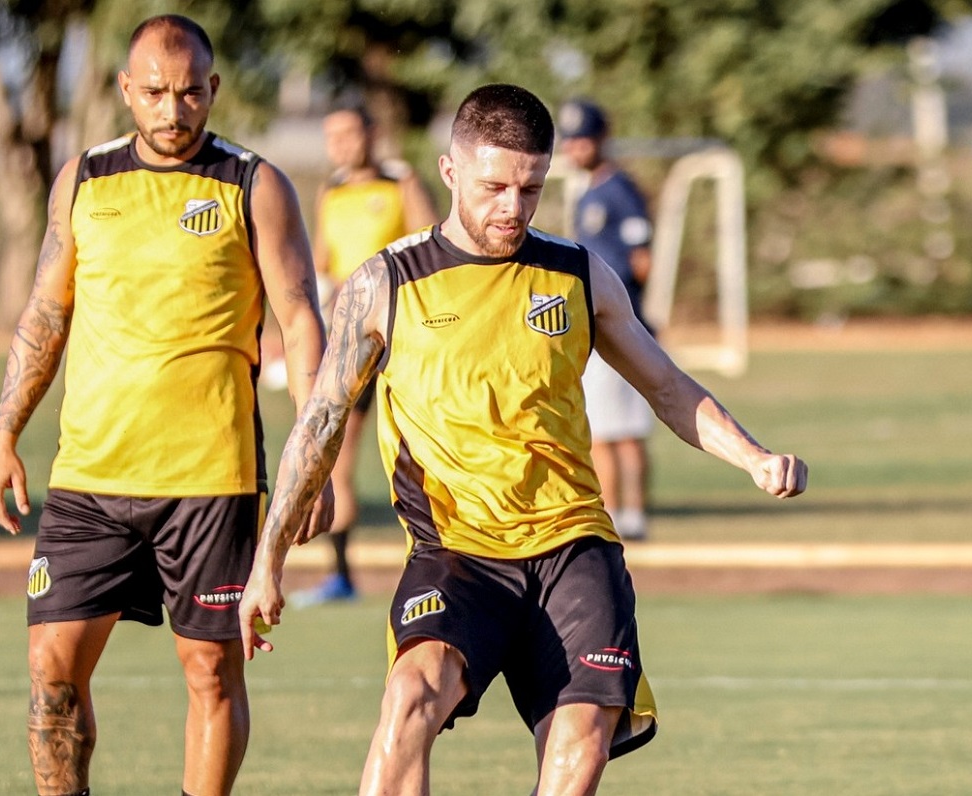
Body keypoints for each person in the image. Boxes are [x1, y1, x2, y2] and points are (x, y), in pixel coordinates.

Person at [238, 83, 807, 796]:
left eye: (530, 188)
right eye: (494, 186)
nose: (512, 206)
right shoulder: (387, 283)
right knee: (410, 700)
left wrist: (752, 456)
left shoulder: (574, 273)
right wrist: (270, 560)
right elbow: (318, 424)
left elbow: (666, 386)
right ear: (450, 173)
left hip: (573, 549)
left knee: (583, 742)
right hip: (457, 555)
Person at [0, 14, 332, 796]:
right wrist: (5, 431)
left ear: (213, 90)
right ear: (124, 91)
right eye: (156, 94)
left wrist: (317, 460)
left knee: (210, 668)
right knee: (51, 670)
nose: (174, 112)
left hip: (211, 477)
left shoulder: (254, 184)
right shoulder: (84, 179)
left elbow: (303, 320)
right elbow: (46, 312)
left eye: (190, 94)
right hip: (89, 476)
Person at [292, 98, 439, 606]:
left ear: (372, 133)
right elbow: (321, 260)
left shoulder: (400, 183)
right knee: (338, 456)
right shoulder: (330, 191)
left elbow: (432, 249)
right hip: (354, 343)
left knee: (424, 454)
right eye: (331, 137)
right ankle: (340, 574)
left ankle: (444, 565)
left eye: (348, 134)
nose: (340, 145)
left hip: (404, 343)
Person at [558, 98, 656, 541]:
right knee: (617, 428)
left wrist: (626, 309)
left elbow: (641, 259)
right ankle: (626, 516)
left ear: (600, 139)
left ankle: (623, 516)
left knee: (615, 430)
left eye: (583, 140)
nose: (575, 149)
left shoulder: (618, 189)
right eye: (570, 141)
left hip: (615, 324)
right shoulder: (591, 191)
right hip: (600, 324)